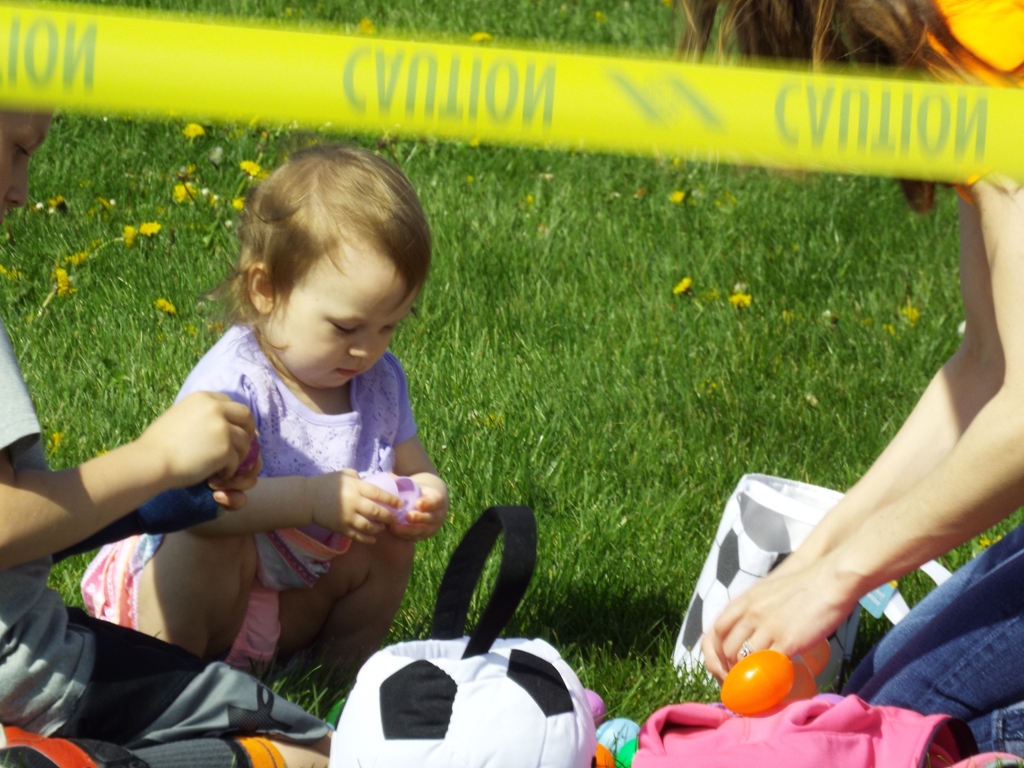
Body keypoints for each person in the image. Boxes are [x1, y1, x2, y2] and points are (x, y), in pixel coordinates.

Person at [678, 0, 1024, 752]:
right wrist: (814, 562)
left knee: (912, 731)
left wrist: (841, 579)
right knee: (872, 702)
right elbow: (986, 367)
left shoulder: (997, 65)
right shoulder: (962, 50)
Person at [0, 110, 331, 768]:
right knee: (312, 752)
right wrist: (155, 458)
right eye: (16, 149)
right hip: (25, 668)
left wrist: (170, 498)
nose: (21, 190)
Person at [82, 143, 450, 676]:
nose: (367, 349)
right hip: (193, 599)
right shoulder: (237, 383)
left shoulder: (379, 382)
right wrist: (313, 499)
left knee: (388, 544)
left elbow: (413, 465)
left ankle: (341, 680)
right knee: (205, 542)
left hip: (288, 599)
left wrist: (427, 496)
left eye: (389, 325)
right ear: (266, 290)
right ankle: (168, 684)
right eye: (346, 327)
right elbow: (198, 508)